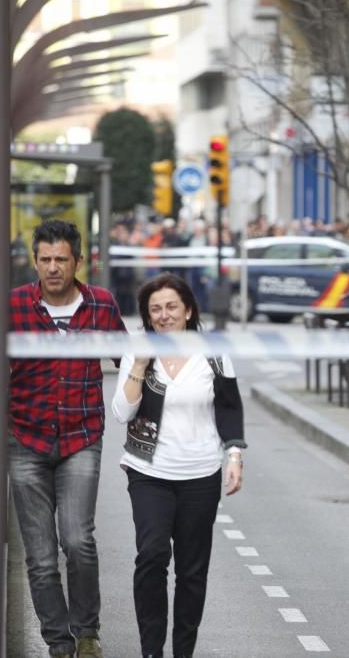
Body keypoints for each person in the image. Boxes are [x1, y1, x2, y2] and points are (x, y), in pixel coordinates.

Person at [8, 220, 127, 658]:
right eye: (45, 260)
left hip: (81, 438)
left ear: (78, 261)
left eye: (61, 259)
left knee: (77, 541)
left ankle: (87, 632)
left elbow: (129, 362)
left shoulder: (101, 305)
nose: (53, 268)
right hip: (26, 439)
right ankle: (59, 644)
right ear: (34, 261)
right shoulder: (14, 306)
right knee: (39, 557)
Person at [112, 273, 246, 658]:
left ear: (188, 309)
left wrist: (234, 455)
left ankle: (183, 651)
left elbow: (229, 408)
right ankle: (151, 650)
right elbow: (122, 412)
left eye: (172, 306)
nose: (164, 315)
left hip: (200, 475)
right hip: (149, 473)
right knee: (151, 556)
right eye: (155, 309)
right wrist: (139, 363)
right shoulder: (139, 351)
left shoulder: (214, 352)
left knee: (191, 570)